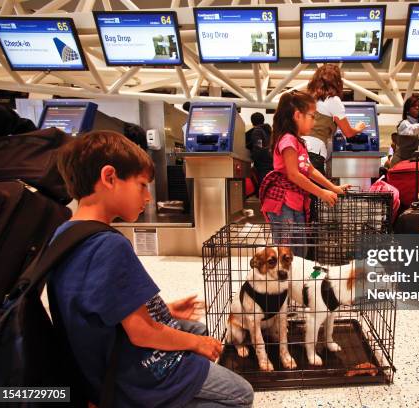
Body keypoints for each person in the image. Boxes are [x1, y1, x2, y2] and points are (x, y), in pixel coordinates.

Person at [50, 130, 253, 407]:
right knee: (241, 394)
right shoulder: (109, 245)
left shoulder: (65, 233)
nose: (147, 197)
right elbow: (141, 332)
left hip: (103, 367)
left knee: (198, 328)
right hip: (134, 375)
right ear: (109, 178)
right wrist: (195, 346)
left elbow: (102, 309)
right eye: (142, 185)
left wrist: (165, 310)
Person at [259, 91, 350, 255]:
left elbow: (309, 169)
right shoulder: (288, 140)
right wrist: (322, 192)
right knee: (287, 253)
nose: (314, 122)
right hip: (282, 203)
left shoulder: (298, 141)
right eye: (312, 116)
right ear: (297, 115)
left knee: (300, 249)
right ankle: (288, 280)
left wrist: (333, 188)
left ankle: (298, 279)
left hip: (295, 201)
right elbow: (294, 174)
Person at [306, 64, 366, 171]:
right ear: (337, 81)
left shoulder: (309, 97)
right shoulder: (333, 100)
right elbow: (348, 132)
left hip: (300, 149)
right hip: (314, 152)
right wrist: (358, 128)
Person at [390, 96, 419, 167]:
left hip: (410, 163)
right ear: (407, 109)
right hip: (399, 163)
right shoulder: (404, 123)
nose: (417, 108)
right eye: (414, 106)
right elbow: (412, 130)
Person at [245, 112, 273, 188]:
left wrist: (252, 158)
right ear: (263, 120)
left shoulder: (257, 131)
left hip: (263, 165)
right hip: (271, 163)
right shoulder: (269, 131)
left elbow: (258, 147)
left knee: (264, 187)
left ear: (252, 122)